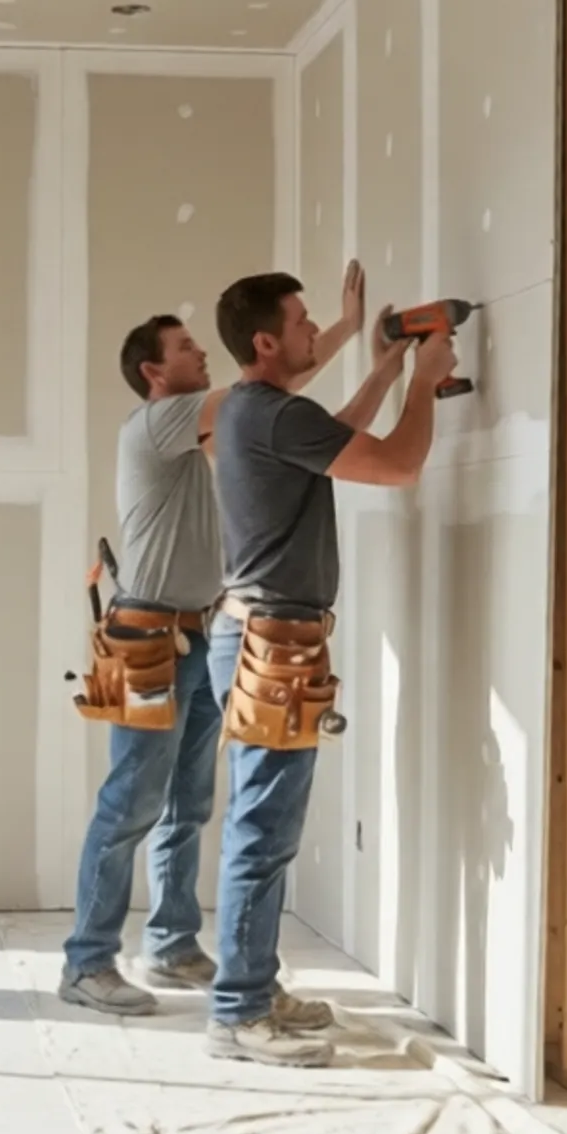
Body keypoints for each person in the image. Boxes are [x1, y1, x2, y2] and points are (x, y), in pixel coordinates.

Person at [60, 274, 363, 1016]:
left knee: (187, 803)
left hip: (199, 634)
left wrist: (351, 334)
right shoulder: (157, 422)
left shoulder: (198, 431)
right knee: (129, 802)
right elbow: (266, 383)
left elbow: (272, 395)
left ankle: (169, 943)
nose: (201, 353)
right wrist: (350, 333)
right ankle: (86, 963)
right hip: (143, 635)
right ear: (152, 373)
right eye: (186, 347)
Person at [202, 266, 453, 1064]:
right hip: (270, 644)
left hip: (262, 639)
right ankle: (238, 1013)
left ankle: (252, 984)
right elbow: (396, 463)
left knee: (262, 827)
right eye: (306, 324)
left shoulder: (260, 415)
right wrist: (425, 381)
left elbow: (337, 435)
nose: (317, 335)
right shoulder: (270, 413)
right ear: (267, 341)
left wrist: (384, 367)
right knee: (261, 831)